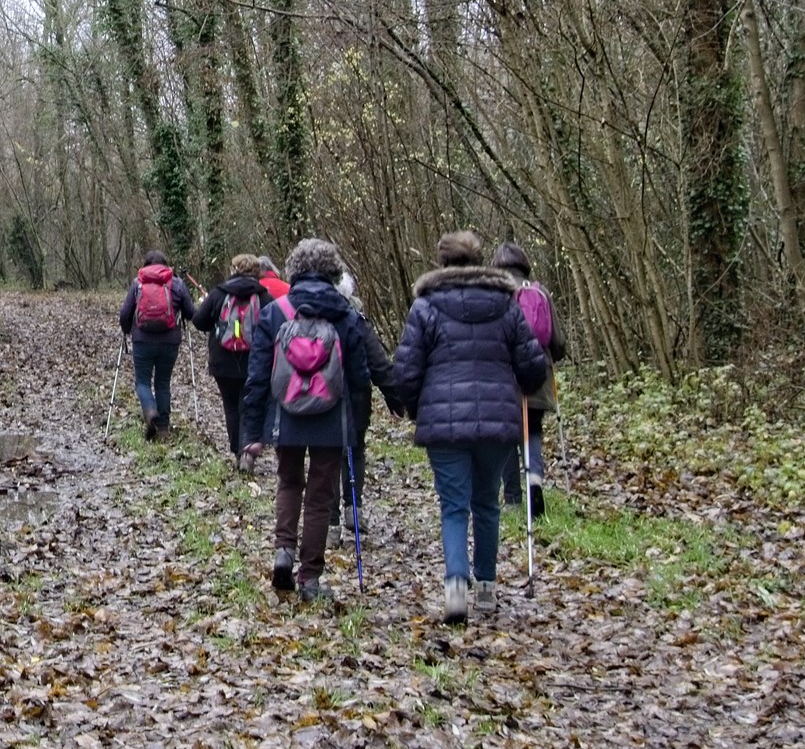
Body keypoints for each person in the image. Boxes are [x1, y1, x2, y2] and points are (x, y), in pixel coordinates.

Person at [387, 230, 550, 625]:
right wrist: (524, 384)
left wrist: (410, 405)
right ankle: (488, 587)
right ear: (478, 260)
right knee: (486, 504)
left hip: (443, 424)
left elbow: (407, 369)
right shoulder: (506, 305)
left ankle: (456, 587)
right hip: (496, 421)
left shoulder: (425, 307)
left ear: (441, 262)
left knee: (454, 507)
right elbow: (532, 365)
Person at [241, 238, 390, 606]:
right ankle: (310, 577)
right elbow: (359, 375)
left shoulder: (275, 313)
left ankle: (283, 551)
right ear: (332, 272)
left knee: (289, 483)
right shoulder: (347, 315)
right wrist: (358, 424)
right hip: (331, 416)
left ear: (293, 270)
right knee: (321, 498)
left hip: (286, 414)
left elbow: (258, 376)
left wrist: (252, 432)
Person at [491, 242, 566, 519]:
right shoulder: (539, 291)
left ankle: (512, 499)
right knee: (531, 431)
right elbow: (557, 341)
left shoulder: (495, 294)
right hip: (538, 372)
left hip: (504, 375)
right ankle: (534, 482)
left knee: (508, 436)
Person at [188, 255, 272, 463]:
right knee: (248, 405)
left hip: (222, 360)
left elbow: (199, 321)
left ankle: (237, 451)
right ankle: (246, 450)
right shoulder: (264, 296)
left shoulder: (219, 293)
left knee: (231, 406)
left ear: (234, 269)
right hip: (254, 361)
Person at [117, 250, 195, 441]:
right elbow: (191, 313)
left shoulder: (138, 283)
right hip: (169, 342)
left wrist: (127, 330)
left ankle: (150, 410)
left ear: (145, 265)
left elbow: (125, 313)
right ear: (165, 265)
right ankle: (163, 428)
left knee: (142, 381)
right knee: (163, 383)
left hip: (142, 340)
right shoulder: (176, 283)